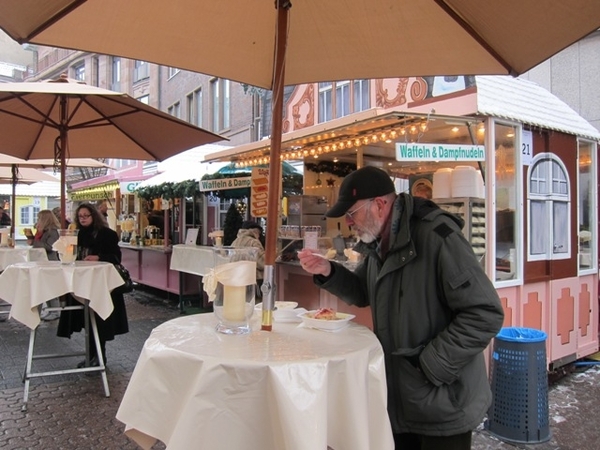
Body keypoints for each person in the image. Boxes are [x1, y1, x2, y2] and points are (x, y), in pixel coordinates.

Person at [297, 166, 504, 450]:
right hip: (398, 399)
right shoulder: (378, 244)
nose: (348, 223)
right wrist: (328, 270)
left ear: (380, 205)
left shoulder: (438, 237)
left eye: (352, 213)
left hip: (441, 402)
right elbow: (363, 291)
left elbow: (485, 313)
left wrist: (431, 363)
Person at [57, 203, 129, 368]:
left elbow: (116, 257)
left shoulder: (106, 234)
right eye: (80, 216)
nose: (82, 219)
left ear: (93, 216)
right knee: (85, 320)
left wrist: (98, 257)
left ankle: (99, 356)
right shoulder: (75, 234)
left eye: (86, 216)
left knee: (99, 320)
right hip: (80, 282)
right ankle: (91, 355)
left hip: (100, 284)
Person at [26, 210, 61, 321]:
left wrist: (36, 240)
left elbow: (50, 247)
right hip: (40, 261)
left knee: (51, 286)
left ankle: (55, 310)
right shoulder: (42, 231)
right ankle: (49, 309)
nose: (38, 221)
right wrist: (32, 238)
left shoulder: (53, 231)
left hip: (50, 261)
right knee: (43, 286)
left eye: (39, 218)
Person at [231, 220, 265, 297]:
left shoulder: (235, 242)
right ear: (255, 232)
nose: (259, 236)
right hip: (252, 280)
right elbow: (262, 262)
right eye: (259, 233)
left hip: (236, 279)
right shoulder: (253, 242)